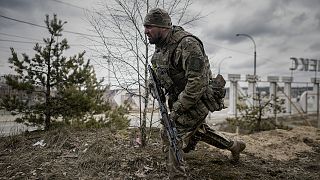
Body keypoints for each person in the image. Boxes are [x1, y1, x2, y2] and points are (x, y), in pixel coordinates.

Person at [144, 8, 246, 179]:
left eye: (149, 27)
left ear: (163, 27)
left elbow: (197, 83)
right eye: (145, 27)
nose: (146, 31)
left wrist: (176, 109)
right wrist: (152, 86)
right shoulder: (160, 46)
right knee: (199, 131)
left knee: (171, 134)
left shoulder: (187, 44)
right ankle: (234, 146)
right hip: (182, 99)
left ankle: (177, 176)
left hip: (197, 100)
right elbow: (155, 71)